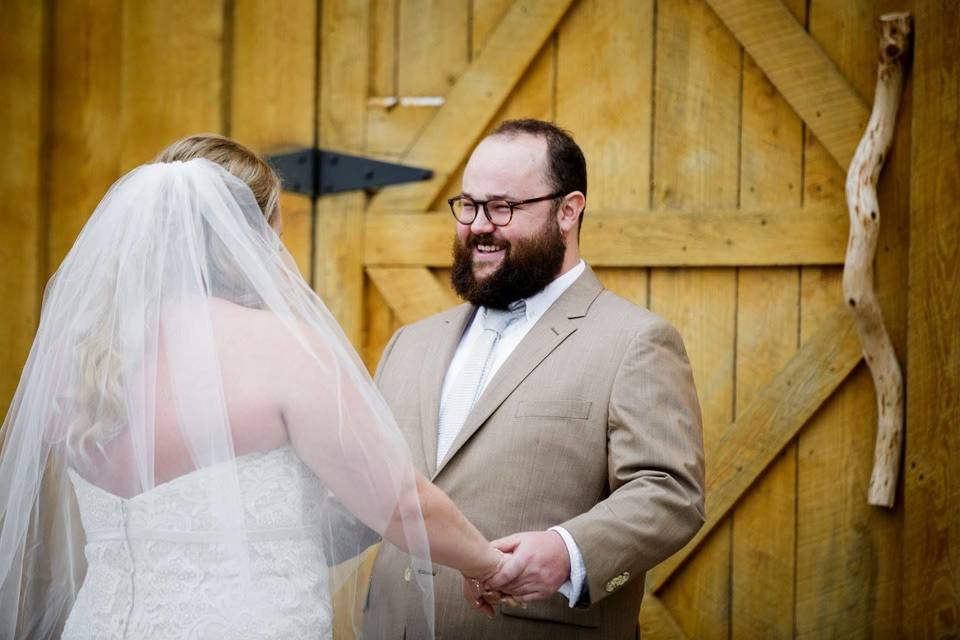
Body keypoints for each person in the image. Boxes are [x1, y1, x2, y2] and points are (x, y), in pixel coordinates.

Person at [0, 134, 505, 639]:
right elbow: (395, 502)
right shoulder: (279, 350)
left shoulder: (85, 357)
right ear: (250, 234)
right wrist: (486, 563)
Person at [363, 119, 706, 640]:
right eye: (469, 205)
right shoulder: (408, 344)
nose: (479, 225)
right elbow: (367, 488)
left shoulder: (635, 340)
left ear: (568, 211)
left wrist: (568, 552)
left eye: (503, 208)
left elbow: (669, 492)